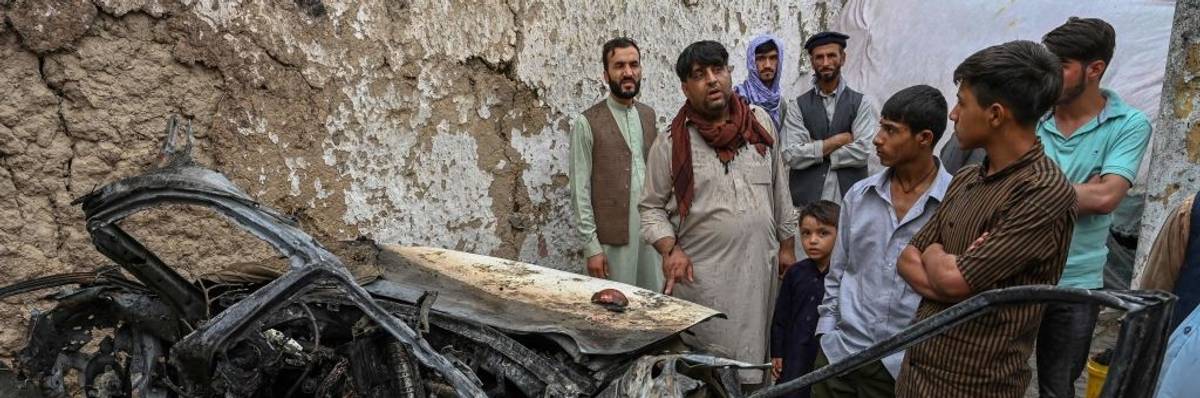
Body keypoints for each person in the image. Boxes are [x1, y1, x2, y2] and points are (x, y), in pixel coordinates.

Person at [894, 40, 1077, 398]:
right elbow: (907, 258)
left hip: (973, 387)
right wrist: (948, 267)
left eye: (962, 103)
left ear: (995, 114)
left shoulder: (1043, 192)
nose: (953, 115)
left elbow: (952, 281)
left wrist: (941, 262)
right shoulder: (967, 178)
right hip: (916, 375)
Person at [640, 40, 798, 387]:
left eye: (718, 70)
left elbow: (779, 189)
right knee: (710, 374)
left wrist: (788, 246)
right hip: (704, 283)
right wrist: (670, 249)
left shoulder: (760, 125)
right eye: (699, 75)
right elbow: (650, 208)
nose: (712, 80)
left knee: (758, 365)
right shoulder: (670, 143)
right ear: (685, 87)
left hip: (760, 274)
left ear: (730, 74)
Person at [1034, 18, 1153, 397]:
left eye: (1061, 66)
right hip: (1014, 270)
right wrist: (1082, 191)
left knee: (1057, 387)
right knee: (992, 375)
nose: (1048, 76)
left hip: (1076, 283)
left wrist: (1027, 191)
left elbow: (1106, 199)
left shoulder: (1128, 123)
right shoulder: (1032, 112)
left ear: (1095, 69)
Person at [813, 85, 953, 398]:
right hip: (840, 354)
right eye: (881, 127)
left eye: (891, 130)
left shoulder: (953, 204)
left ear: (924, 138)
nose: (878, 138)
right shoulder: (859, 197)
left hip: (904, 365)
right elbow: (838, 273)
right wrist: (827, 332)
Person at [568, 37, 663, 291]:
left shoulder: (648, 115)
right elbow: (579, 192)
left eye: (634, 64)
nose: (628, 72)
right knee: (613, 313)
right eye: (619, 66)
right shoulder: (586, 123)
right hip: (612, 245)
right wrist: (592, 248)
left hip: (652, 238)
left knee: (653, 309)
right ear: (606, 74)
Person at [780, 31, 875, 207]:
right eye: (819, 57)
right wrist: (838, 141)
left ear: (843, 58)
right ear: (812, 61)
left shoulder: (860, 103)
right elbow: (791, 154)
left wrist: (814, 149)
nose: (825, 63)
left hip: (849, 204)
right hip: (807, 205)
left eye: (831, 56)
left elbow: (863, 151)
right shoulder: (797, 106)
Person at [771, 200, 839, 398]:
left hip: (826, 354)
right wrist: (777, 353)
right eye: (806, 233)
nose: (813, 240)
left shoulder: (843, 275)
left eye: (823, 233)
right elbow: (781, 318)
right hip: (795, 355)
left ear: (841, 234)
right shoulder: (795, 273)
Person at [736, 34, 785, 130]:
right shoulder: (740, 97)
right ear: (752, 62)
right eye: (760, 58)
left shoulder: (779, 103)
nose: (767, 65)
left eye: (773, 58)